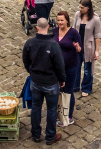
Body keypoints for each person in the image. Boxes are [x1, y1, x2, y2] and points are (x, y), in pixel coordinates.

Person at [23, 17, 65, 145]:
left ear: (37, 27)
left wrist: (31, 71)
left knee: (36, 108)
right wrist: (62, 79)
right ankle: (50, 136)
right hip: (51, 83)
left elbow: (25, 60)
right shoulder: (53, 45)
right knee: (51, 110)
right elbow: (60, 65)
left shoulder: (30, 43)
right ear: (48, 27)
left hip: (35, 82)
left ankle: (36, 134)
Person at [54, 11, 82, 127]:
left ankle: (68, 116)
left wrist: (77, 47)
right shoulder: (55, 31)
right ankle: (59, 112)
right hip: (57, 67)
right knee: (58, 91)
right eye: (58, 20)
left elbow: (80, 49)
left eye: (62, 20)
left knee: (68, 92)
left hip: (70, 67)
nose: (59, 22)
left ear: (67, 20)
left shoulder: (73, 33)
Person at [74, 0, 101, 96]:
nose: (80, 9)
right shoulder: (77, 15)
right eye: (80, 7)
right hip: (77, 46)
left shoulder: (95, 19)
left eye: (82, 7)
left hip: (88, 48)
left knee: (87, 69)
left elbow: (97, 36)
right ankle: (75, 85)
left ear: (88, 8)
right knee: (76, 67)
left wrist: (97, 51)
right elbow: (73, 29)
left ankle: (86, 87)